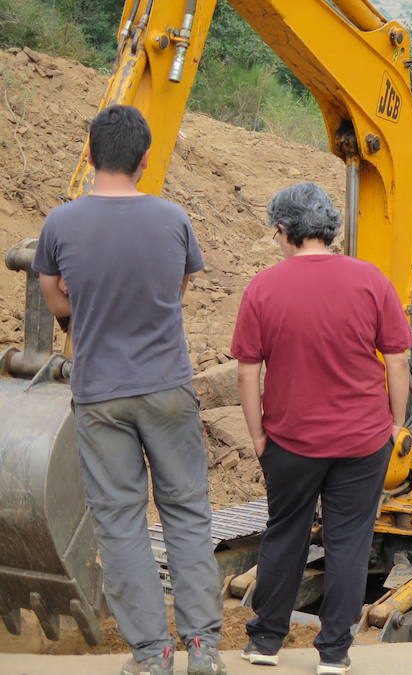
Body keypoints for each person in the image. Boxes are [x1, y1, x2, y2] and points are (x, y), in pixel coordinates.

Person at [33, 105, 225, 675]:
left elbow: (56, 301)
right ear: (145, 161)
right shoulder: (173, 220)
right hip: (167, 387)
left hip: (100, 395)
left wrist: (91, 308)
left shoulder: (59, 225)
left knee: (120, 523)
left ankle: (151, 655)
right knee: (187, 513)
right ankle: (203, 650)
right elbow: (179, 289)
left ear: (89, 154)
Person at [231, 182, 412, 675]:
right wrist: (395, 426)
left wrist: (259, 437)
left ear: (283, 231)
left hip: (290, 441)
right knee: (349, 542)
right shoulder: (371, 280)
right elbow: (397, 360)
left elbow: (249, 370)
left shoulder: (263, 287)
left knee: (285, 533)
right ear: (329, 228)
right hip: (363, 440)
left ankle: (265, 643)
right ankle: (334, 653)